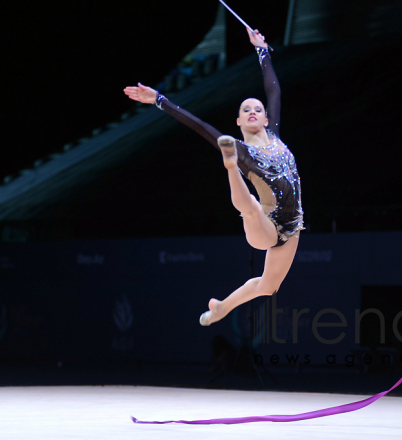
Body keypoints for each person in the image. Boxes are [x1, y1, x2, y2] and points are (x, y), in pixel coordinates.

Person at [123, 27, 304, 326]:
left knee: (268, 287)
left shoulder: (275, 136)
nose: (253, 111)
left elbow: (274, 89)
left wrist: (261, 49)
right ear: (238, 121)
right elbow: (198, 125)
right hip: (265, 224)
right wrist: (159, 100)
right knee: (251, 208)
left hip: (293, 227)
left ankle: (221, 308)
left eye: (257, 109)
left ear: (268, 118)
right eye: (246, 109)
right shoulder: (243, 149)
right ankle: (230, 167)